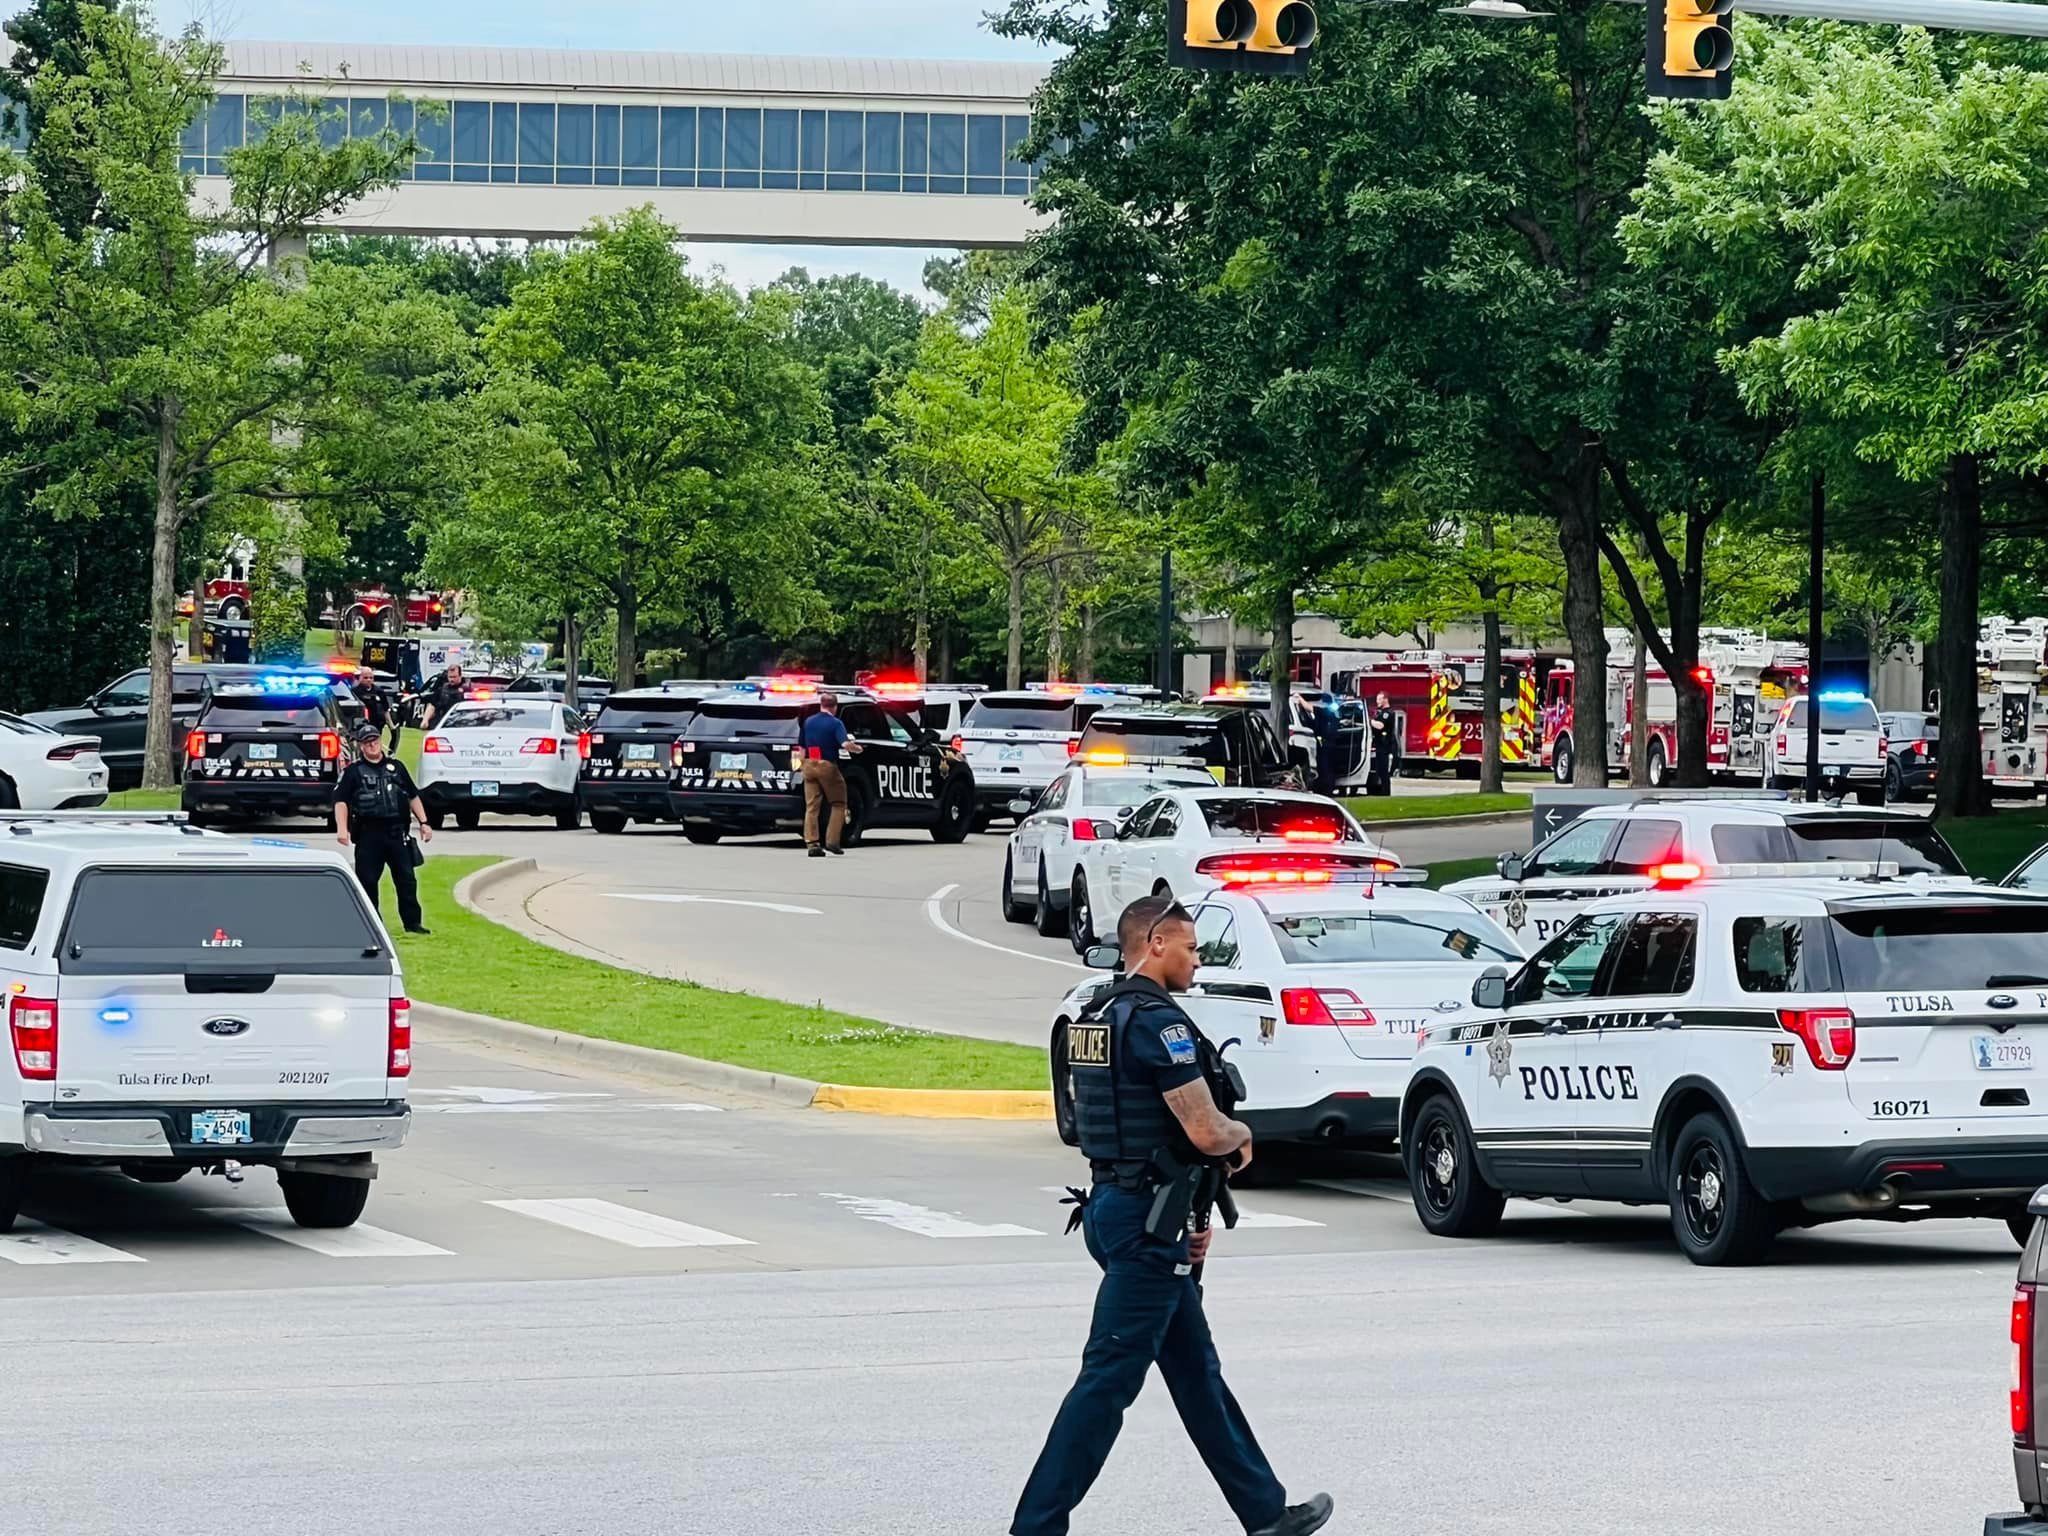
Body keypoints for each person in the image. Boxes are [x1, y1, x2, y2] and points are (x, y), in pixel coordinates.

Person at [1011, 893, 1333, 1536]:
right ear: (1155, 942)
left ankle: (1266, 1512)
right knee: (1106, 1385)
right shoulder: (1160, 1023)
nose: (1198, 960)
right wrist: (1240, 1136)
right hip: (1144, 1226)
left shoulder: (1097, 1016)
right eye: (1190, 946)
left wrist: (1189, 1212)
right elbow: (1204, 1128)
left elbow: (1124, 1128)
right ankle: (1036, 1527)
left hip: (1122, 1209)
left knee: (1196, 1374)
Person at [334, 723, 434, 936]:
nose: (372, 746)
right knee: (368, 881)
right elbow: (341, 801)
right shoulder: (353, 772)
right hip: (369, 835)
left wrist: (424, 823)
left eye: (375, 741)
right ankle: (373, 924)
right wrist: (342, 829)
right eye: (368, 743)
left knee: (406, 880)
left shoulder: (396, 768)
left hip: (397, 833)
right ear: (361, 746)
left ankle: (413, 924)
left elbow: (412, 795)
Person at [799, 692, 862, 858]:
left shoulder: (809, 721)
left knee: (812, 806)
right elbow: (845, 744)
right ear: (835, 707)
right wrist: (857, 748)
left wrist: (801, 765)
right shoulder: (836, 723)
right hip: (827, 765)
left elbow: (802, 748)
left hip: (809, 763)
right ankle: (832, 841)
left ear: (821, 704)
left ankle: (812, 843)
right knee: (839, 803)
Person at [418, 663, 466, 734]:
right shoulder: (442, 689)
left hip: (461, 723)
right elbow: (432, 705)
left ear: (460, 676)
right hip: (442, 722)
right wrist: (425, 720)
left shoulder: (467, 689)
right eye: (450, 677)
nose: (452, 680)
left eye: (454, 677)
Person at [1368, 690, 1398, 797]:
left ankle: (1385, 793)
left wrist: (1369, 721)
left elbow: (1380, 726)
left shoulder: (1387, 713)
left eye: (1379, 699)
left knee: (1384, 773)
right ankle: (1380, 792)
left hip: (1385, 747)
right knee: (1380, 771)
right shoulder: (1381, 712)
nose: (1377, 702)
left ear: (1385, 699)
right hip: (1380, 746)